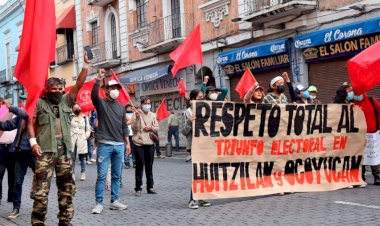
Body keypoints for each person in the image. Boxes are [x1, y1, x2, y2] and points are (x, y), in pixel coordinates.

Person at [27, 52, 92, 226]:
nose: (57, 92)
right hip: (45, 152)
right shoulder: (39, 104)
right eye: (53, 89)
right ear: (47, 90)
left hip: (64, 152)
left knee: (67, 189)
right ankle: (38, 222)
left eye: (59, 89)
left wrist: (86, 65)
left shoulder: (66, 102)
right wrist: (33, 143)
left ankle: (65, 221)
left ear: (63, 89)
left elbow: (79, 84)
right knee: (41, 192)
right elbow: (30, 125)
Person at [91, 69, 131, 214]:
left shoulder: (121, 107)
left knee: (116, 176)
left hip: (119, 145)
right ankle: (99, 203)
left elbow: (124, 125)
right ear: (106, 90)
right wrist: (99, 78)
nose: (115, 90)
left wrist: (127, 143)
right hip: (104, 145)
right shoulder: (101, 104)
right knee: (102, 175)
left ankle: (114, 201)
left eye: (117, 88)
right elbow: (93, 95)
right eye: (112, 88)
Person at [0, 100, 34, 220]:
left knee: (41, 182)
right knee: (17, 182)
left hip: (35, 154)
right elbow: (7, 126)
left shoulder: (39, 114)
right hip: (20, 154)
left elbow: (27, 116)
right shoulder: (20, 117)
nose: (25, 104)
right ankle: (16, 208)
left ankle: (39, 208)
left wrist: (10, 107)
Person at [185, 89, 211, 209]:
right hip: (195, 146)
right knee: (197, 173)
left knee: (205, 172)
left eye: (202, 97)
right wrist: (190, 122)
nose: (202, 99)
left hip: (205, 145)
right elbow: (184, 131)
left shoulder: (207, 110)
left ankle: (201, 198)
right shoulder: (188, 112)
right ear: (192, 100)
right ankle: (192, 200)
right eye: (199, 97)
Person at [131, 96, 159, 196]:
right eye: (146, 103)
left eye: (149, 103)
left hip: (150, 144)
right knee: (139, 166)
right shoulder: (136, 114)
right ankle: (138, 188)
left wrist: (150, 127)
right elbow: (134, 129)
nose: (148, 105)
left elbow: (156, 127)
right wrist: (138, 118)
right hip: (139, 144)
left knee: (149, 166)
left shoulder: (153, 115)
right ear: (142, 104)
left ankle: (150, 187)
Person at [353, 93, 380, 186]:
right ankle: (361, 176)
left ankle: (376, 176)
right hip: (359, 133)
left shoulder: (371, 100)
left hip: (372, 133)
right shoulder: (352, 102)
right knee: (361, 156)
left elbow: (379, 111)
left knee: (373, 155)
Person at [70, 103, 91, 181]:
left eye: (78, 107)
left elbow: (88, 129)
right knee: (72, 157)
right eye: (75, 108)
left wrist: (85, 136)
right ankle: (72, 173)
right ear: (72, 109)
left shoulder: (85, 118)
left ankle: (83, 172)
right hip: (72, 139)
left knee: (82, 157)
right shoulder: (70, 117)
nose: (77, 109)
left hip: (82, 139)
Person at [0, 111, 16, 207]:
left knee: (13, 174)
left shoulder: (16, 116)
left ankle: (11, 196)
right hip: (1, 148)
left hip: (12, 148)